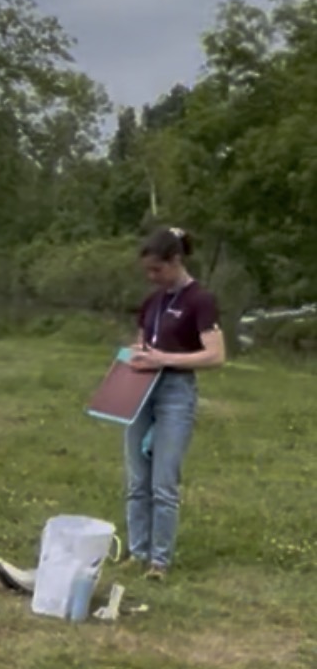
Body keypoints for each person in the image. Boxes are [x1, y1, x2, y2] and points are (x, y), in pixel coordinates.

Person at [124, 225, 224, 578]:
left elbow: (215, 355)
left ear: (176, 260)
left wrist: (164, 359)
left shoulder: (200, 300)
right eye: (148, 270)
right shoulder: (152, 302)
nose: (152, 277)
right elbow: (142, 344)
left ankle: (159, 561)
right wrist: (134, 356)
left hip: (176, 393)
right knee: (137, 479)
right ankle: (137, 552)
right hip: (141, 389)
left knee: (163, 481)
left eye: (158, 269)